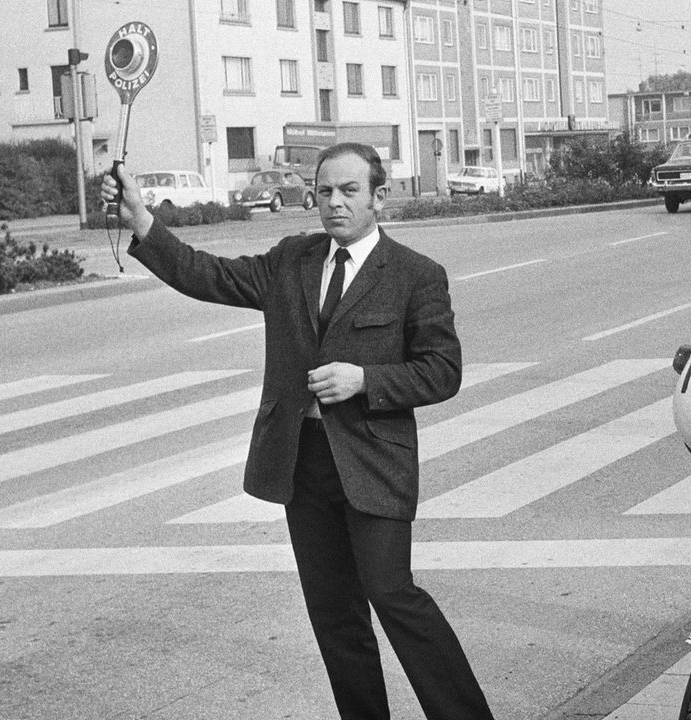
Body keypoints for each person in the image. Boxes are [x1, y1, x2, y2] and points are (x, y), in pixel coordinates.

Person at [100, 143, 495, 720]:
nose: (334, 203)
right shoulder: (293, 260)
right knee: (334, 614)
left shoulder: (415, 275)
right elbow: (207, 274)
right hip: (303, 461)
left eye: (349, 191)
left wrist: (366, 379)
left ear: (379, 198)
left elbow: (443, 371)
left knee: (392, 594)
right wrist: (141, 219)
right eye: (325, 191)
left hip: (373, 462)